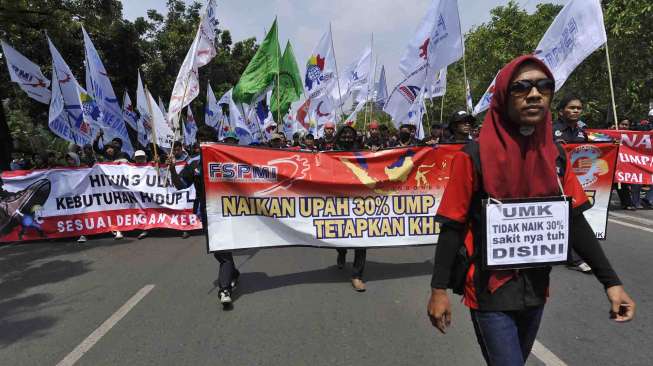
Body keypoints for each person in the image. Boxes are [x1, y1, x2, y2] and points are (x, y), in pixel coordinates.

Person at [427, 55, 635, 366]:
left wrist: (612, 283)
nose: (534, 94)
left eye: (544, 86)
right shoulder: (471, 158)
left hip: (536, 288)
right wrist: (438, 290)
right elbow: (453, 226)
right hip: (489, 290)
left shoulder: (555, 157)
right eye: (521, 87)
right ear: (503, 96)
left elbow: (574, 221)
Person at [169, 125, 240, 307]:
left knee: (223, 252)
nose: (202, 143)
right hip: (207, 213)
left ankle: (224, 289)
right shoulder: (193, 164)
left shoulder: (226, 160)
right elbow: (181, 186)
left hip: (227, 211)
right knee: (219, 252)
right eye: (200, 139)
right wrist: (170, 168)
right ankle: (233, 272)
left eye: (206, 139)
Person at [330, 125, 367, 291]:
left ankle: (357, 275)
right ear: (339, 137)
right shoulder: (329, 153)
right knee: (341, 234)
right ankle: (341, 252)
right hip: (338, 200)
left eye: (350, 135)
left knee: (361, 238)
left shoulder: (363, 152)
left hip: (359, 200)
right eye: (343, 135)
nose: (346, 138)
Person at [612, 119, 636, 210]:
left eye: (627, 125)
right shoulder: (611, 134)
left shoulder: (632, 137)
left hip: (623, 165)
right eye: (623, 124)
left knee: (622, 184)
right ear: (618, 124)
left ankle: (627, 203)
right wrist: (613, 143)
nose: (624, 126)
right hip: (611, 163)